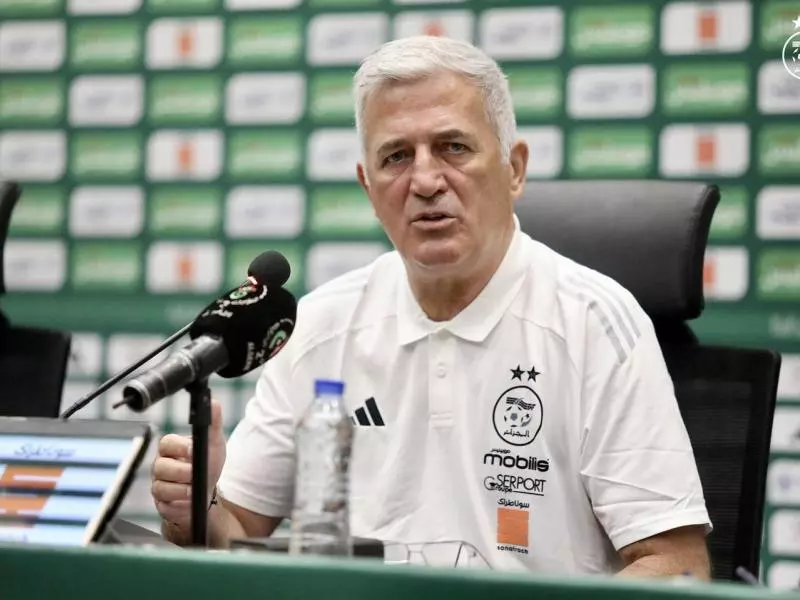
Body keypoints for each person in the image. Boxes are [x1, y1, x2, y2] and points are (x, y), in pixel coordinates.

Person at [151, 35, 712, 578]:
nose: (424, 180)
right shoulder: (319, 327)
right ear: (369, 188)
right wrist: (196, 506)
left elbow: (676, 565)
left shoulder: (593, 322)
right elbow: (234, 534)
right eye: (396, 156)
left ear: (514, 169)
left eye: (453, 147)